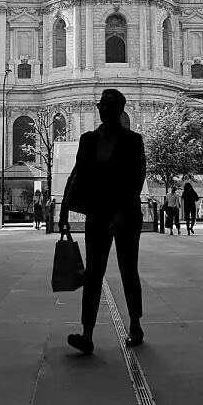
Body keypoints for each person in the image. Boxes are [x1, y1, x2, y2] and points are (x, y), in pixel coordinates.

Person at [59, 88, 146, 355]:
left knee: (128, 270)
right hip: (98, 214)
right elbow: (77, 174)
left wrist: (121, 213)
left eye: (110, 108)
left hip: (126, 215)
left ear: (120, 111)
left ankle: (135, 325)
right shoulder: (88, 140)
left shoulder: (133, 141)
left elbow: (136, 178)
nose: (105, 112)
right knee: (94, 273)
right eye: (102, 107)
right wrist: (64, 208)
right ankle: (87, 333)